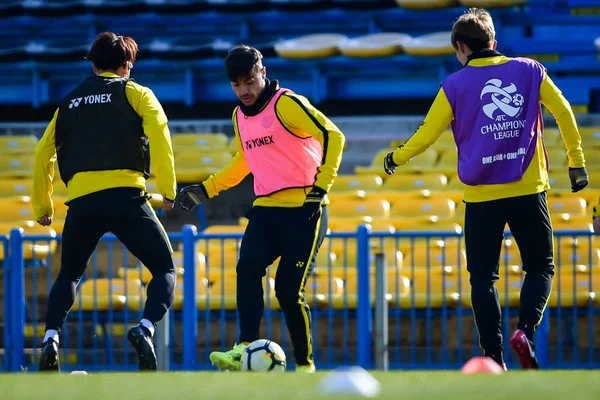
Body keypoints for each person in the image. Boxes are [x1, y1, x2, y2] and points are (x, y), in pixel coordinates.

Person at [383, 8, 588, 370]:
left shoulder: (454, 85)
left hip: (480, 197)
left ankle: (494, 358)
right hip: (528, 189)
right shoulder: (530, 70)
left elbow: (427, 135)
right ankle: (525, 331)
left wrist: (395, 158)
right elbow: (565, 112)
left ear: (461, 47)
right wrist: (576, 163)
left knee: (482, 279)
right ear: (493, 41)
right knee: (540, 267)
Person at [177, 45, 345, 373]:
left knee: (287, 290)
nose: (244, 90)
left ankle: (305, 366)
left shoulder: (287, 103)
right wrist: (206, 189)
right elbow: (245, 160)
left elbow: (333, 135)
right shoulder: (239, 116)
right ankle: (243, 348)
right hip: (266, 209)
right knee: (247, 269)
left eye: (249, 81)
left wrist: (321, 186)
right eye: (236, 85)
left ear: (262, 73)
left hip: (306, 209)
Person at [32, 32, 177, 372]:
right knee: (165, 269)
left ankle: (50, 337)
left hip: (82, 202)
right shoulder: (137, 92)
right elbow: (160, 132)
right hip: (127, 196)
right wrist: (167, 189)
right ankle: (145, 329)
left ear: (94, 66)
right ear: (128, 66)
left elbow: (42, 154)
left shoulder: (68, 103)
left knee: (69, 273)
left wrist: (43, 207)